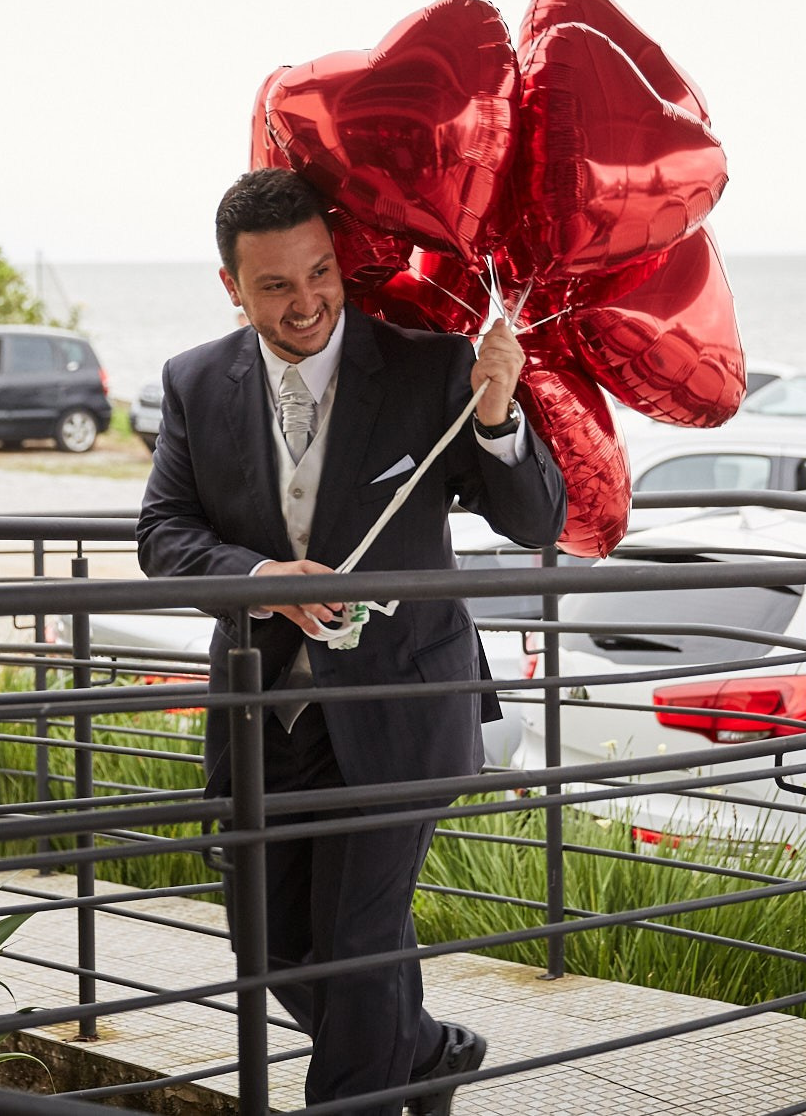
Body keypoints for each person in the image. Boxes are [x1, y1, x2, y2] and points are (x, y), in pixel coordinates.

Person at [138, 169, 566, 1116]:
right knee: (273, 946)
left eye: (320, 272)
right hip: (265, 715)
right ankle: (431, 1050)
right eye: (275, 285)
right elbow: (163, 533)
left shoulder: (431, 368)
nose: (306, 302)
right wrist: (261, 578)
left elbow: (537, 518)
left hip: (399, 706)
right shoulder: (194, 381)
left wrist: (498, 415)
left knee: (358, 945)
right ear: (231, 286)